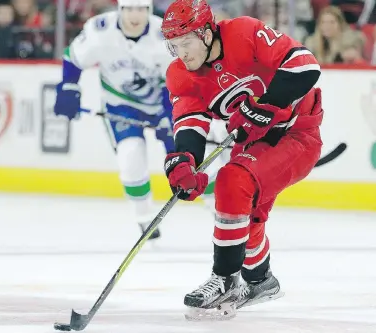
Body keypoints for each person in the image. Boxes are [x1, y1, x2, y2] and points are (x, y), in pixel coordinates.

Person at [161, 0, 324, 320]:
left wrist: (266, 106)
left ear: (206, 34)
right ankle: (260, 278)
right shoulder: (180, 74)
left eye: (186, 42)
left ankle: (224, 278)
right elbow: (190, 123)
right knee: (244, 215)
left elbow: (304, 64)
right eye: (174, 46)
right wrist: (183, 161)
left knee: (231, 180)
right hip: (253, 142)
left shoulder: (245, 33)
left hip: (296, 134)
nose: (182, 53)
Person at [54, 0, 228, 239]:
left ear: (148, 10)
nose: (135, 16)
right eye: (129, 9)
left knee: (192, 159)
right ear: (120, 9)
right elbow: (73, 57)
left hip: (163, 102)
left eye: (141, 9)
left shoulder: (165, 36)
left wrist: (170, 116)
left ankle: (220, 211)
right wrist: (69, 86)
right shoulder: (100, 30)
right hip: (121, 104)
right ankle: (144, 218)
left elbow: (180, 80)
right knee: (130, 155)